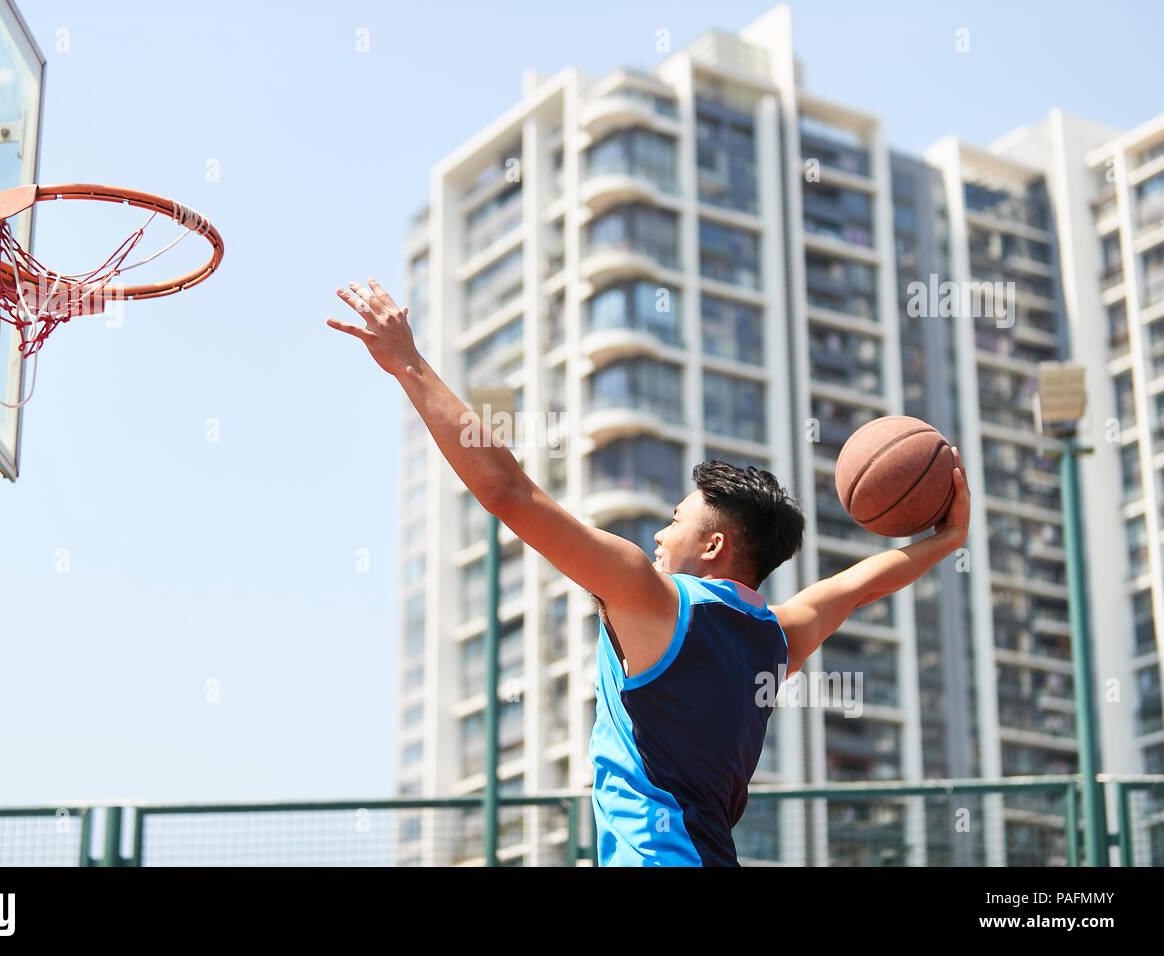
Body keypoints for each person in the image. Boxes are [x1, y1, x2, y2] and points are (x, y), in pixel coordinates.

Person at [328, 279, 970, 866]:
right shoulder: (774, 639)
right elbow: (856, 588)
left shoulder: (654, 598)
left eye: (676, 519)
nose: (660, 534)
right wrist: (949, 538)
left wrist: (406, 363)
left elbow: (508, 493)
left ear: (715, 545)